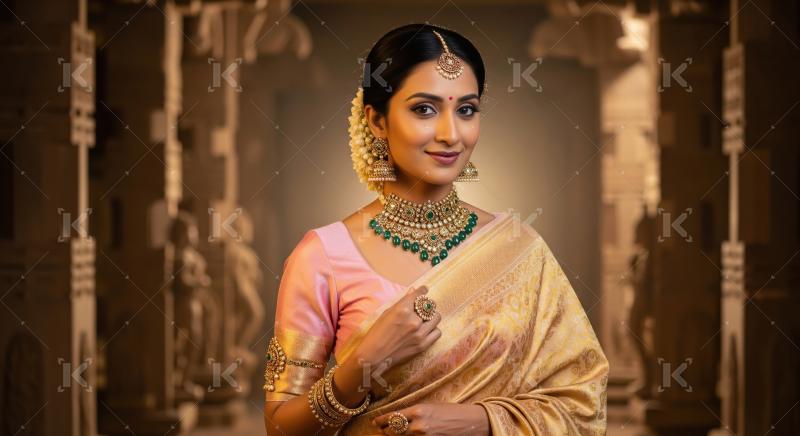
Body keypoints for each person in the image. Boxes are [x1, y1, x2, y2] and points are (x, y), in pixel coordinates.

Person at [263, 23, 608, 435]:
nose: (451, 134)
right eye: (424, 110)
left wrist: (481, 421)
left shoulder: (519, 247)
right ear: (377, 121)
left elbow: (583, 402)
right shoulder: (322, 257)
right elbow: (279, 428)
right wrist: (362, 365)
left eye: (466, 110)